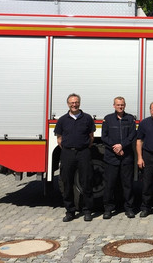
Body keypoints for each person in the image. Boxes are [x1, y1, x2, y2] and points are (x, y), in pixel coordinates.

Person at [54, 93, 96, 222]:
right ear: (68, 104)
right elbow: (59, 139)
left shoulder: (87, 118)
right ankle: (70, 211)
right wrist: (69, 149)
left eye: (76, 102)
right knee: (67, 182)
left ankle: (87, 211)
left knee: (86, 182)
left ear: (79, 103)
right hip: (67, 154)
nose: (74, 104)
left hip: (83, 153)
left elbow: (91, 137)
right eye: (72, 102)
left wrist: (82, 148)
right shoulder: (62, 120)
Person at [101, 97, 137, 219]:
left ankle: (129, 208)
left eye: (122, 105)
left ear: (125, 105)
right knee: (110, 184)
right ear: (114, 106)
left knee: (127, 184)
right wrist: (115, 147)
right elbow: (104, 137)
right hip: (111, 157)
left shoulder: (130, 119)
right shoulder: (108, 119)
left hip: (126, 156)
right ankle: (108, 209)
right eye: (118, 105)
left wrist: (122, 146)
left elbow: (132, 135)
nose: (120, 107)